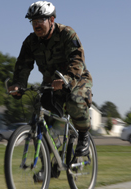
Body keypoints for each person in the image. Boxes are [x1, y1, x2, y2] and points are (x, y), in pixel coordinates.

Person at [8, 1, 93, 157]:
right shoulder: (30, 42)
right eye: (33, 21)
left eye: (40, 20)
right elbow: (23, 65)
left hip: (77, 79)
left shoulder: (67, 34)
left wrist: (68, 78)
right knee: (41, 118)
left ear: (51, 20)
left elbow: (77, 59)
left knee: (74, 101)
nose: (36, 25)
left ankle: (83, 137)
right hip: (51, 84)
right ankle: (48, 164)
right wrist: (18, 85)